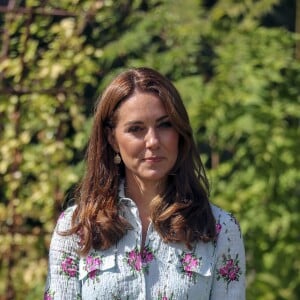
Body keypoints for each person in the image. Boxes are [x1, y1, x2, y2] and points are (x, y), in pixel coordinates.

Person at [44, 67, 246, 300]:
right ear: (112, 138)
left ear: (180, 132)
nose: (153, 141)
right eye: (136, 129)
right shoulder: (76, 229)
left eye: (165, 125)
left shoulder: (220, 229)